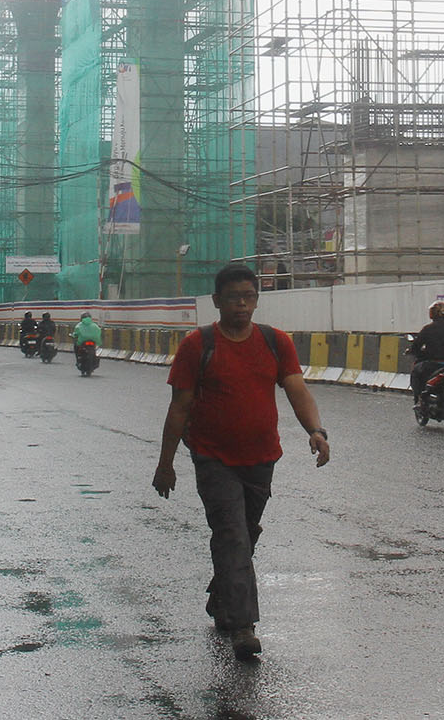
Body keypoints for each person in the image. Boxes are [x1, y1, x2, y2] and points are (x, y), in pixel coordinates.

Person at [153, 261, 330, 660]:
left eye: (248, 298)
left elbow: (296, 389)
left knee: (245, 536)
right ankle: (244, 626)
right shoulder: (197, 346)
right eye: (233, 299)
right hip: (212, 457)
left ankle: (223, 598)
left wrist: (316, 431)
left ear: (257, 300)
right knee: (232, 535)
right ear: (217, 302)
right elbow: (179, 408)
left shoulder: (275, 341)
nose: (241, 306)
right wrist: (166, 463)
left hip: (261, 458)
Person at [410, 300, 444, 404]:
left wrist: (415, 351)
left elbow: (416, 346)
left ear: (432, 313)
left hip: (433, 365)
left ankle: (418, 398)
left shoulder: (428, 329)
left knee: (416, 371)